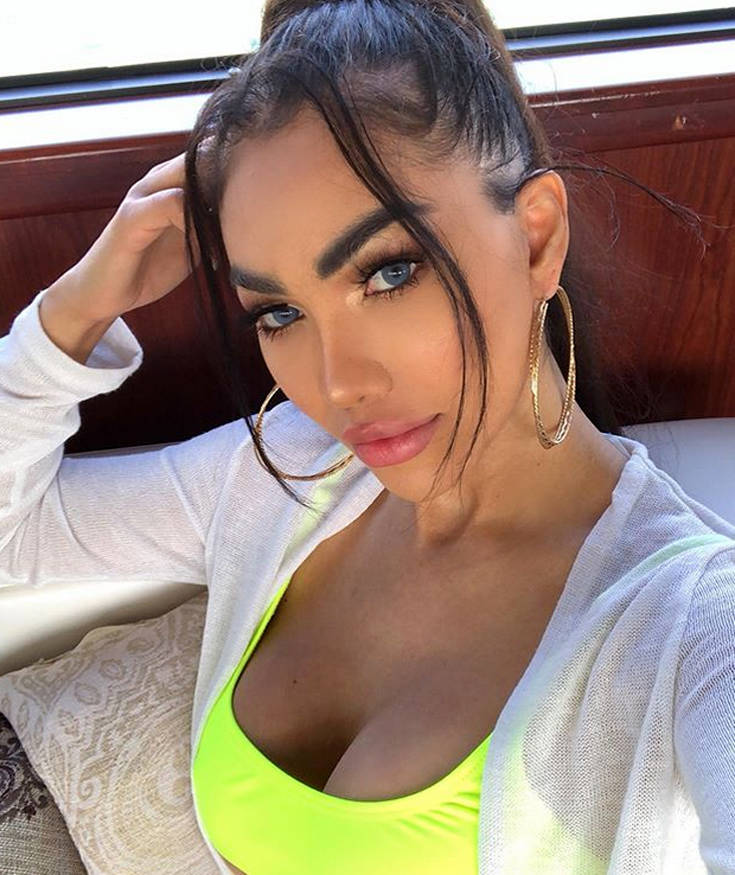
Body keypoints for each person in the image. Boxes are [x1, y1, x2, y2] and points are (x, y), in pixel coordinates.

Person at [1, 1, 734, 873]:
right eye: (278, 312)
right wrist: (76, 309)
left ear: (536, 236)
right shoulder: (286, 473)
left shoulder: (691, 624)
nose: (336, 383)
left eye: (389, 271)